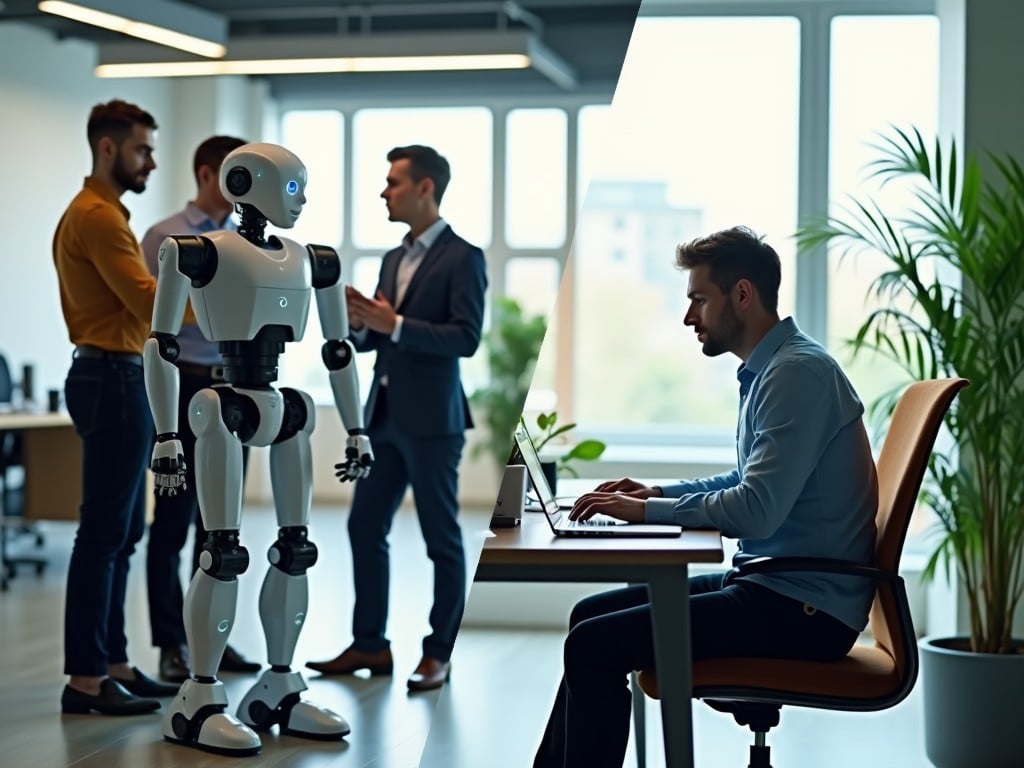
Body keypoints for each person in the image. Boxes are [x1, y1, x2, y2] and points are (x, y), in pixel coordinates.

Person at [532, 225, 879, 767]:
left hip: (803, 610)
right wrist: (656, 493)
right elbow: (746, 482)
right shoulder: (776, 369)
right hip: (775, 585)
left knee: (593, 647)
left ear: (742, 294)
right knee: (587, 619)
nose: (689, 316)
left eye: (698, 299)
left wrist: (647, 512)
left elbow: (755, 511)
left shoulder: (797, 375)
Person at [306, 144, 487, 691]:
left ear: (425, 188)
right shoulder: (392, 257)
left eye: (393, 183)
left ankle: (439, 652)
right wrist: (355, 323)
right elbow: (377, 338)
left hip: (434, 421)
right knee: (364, 526)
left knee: (441, 539)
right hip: (382, 417)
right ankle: (370, 645)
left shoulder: (464, 257)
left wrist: (396, 322)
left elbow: (467, 338)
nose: (384, 192)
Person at [53, 99, 180, 716]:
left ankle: (113, 663)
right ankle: (84, 678)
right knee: (103, 534)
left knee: (122, 532)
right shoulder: (98, 218)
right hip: (113, 378)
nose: (151, 161)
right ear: (109, 149)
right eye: (142, 149)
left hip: (114, 375)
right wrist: (205, 291)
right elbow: (148, 303)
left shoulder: (101, 213)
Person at [139, 135, 261, 683]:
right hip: (183, 387)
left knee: (221, 525)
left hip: (237, 389)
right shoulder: (166, 237)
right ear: (213, 173)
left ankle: (208, 640)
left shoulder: (250, 242)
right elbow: (167, 318)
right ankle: (170, 644)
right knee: (172, 523)